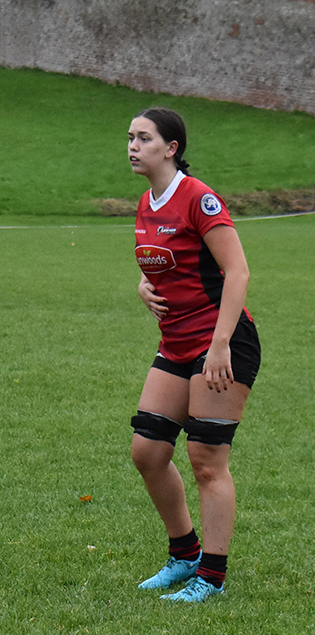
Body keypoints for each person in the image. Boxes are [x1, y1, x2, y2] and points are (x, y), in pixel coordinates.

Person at [125, 107, 260, 603]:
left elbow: (237, 271)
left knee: (206, 459)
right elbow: (162, 263)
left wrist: (220, 345)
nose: (133, 146)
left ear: (171, 148)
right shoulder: (146, 202)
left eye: (144, 138)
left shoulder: (198, 198)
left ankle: (212, 577)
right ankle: (184, 555)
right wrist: (144, 286)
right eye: (130, 137)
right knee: (148, 452)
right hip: (177, 342)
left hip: (221, 342)